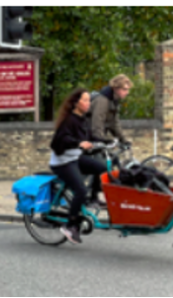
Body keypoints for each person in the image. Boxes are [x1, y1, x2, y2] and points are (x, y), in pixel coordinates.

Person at [50, 88, 110, 245]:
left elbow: (90, 136)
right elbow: (57, 143)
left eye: (89, 100)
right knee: (80, 190)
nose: (88, 103)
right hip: (62, 163)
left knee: (102, 168)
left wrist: (106, 141)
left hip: (75, 158)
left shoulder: (82, 119)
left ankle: (93, 199)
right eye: (84, 100)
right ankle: (70, 226)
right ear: (75, 103)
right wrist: (77, 143)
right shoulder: (68, 121)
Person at [88, 74, 134, 145]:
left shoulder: (113, 100)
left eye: (128, 90)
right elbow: (97, 125)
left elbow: (114, 123)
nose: (127, 92)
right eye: (124, 89)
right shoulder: (102, 101)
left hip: (93, 138)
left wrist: (123, 141)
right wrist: (101, 142)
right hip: (85, 139)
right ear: (115, 88)